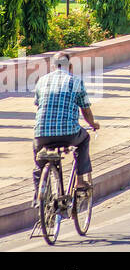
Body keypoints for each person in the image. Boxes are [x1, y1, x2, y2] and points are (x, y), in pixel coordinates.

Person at [32, 52, 99, 203]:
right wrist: (93, 124)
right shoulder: (75, 81)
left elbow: (38, 105)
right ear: (70, 66)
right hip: (69, 133)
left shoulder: (42, 81)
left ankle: (40, 196)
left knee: (39, 161)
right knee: (84, 139)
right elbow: (86, 110)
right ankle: (80, 181)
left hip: (41, 134)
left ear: (53, 66)